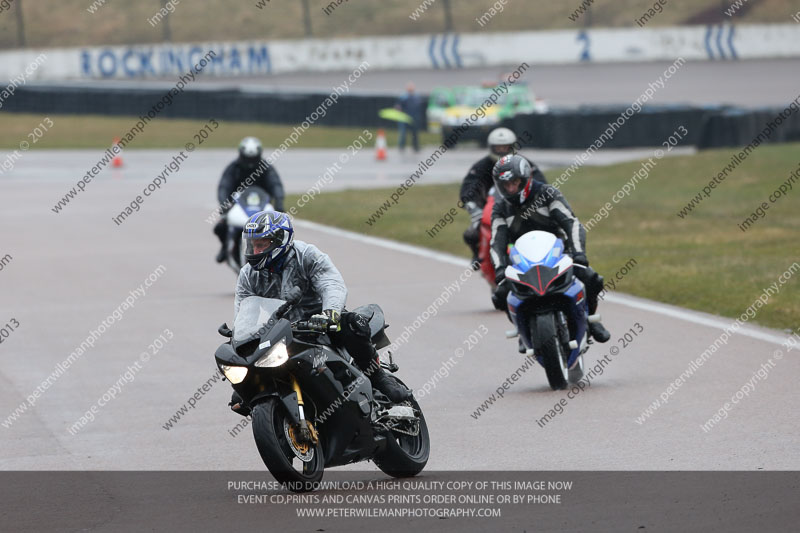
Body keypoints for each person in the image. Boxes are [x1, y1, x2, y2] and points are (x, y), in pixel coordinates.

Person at [229, 210, 411, 415]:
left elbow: (331, 283)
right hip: (285, 331)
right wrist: (240, 335)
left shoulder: (307, 255)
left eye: (262, 244)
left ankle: (378, 377)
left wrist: (330, 313)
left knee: (351, 323)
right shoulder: (248, 274)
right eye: (253, 244)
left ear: (280, 240)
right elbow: (244, 308)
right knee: (244, 392)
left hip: (322, 323)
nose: (255, 249)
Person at [489, 154, 610, 343]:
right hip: (523, 260)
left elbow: (572, 223)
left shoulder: (547, 193)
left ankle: (590, 320)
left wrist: (579, 255)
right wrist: (500, 270)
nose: (511, 188)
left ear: (526, 179)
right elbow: (496, 241)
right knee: (500, 295)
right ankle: (522, 329)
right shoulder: (500, 208)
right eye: (506, 185)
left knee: (592, 279)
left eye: (515, 182)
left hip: (558, 252)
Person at [460, 127, 546, 268]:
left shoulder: (524, 163)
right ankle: (477, 255)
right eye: (498, 148)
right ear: (491, 147)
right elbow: (469, 185)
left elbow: (540, 182)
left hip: (522, 207)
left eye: (505, 147)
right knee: (471, 234)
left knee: (546, 227)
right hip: (489, 207)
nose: (502, 151)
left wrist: (538, 200)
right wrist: (471, 205)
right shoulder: (481, 166)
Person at [213, 137, 286, 263]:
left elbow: (276, 185)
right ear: (241, 154)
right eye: (247, 159)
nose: (250, 162)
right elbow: (224, 186)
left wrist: (279, 202)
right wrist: (224, 203)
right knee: (220, 227)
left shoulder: (266, 168)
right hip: (237, 206)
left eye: (253, 159)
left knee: (281, 228)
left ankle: (280, 252)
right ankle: (225, 248)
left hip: (262, 207)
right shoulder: (233, 168)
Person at [395, 82, 423, 153]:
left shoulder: (416, 97)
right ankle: (401, 147)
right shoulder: (403, 97)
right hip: (404, 118)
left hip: (414, 117)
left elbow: (419, 108)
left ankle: (415, 147)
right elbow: (398, 106)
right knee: (403, 133)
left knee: (415, 133)